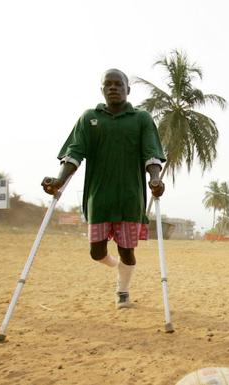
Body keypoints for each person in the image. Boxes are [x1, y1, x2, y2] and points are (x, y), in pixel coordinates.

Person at [42, 69, 166, 309]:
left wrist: (155, 180)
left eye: (118, 84)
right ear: (102, 90)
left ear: (127, 89)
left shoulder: (141, 119)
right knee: (96, 252)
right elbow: (74, 154)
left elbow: (152, 154)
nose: (113, 88)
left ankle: (122, 291)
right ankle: (117, 267)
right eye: (107, 84)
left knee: (127, 250)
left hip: (130, 199)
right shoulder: (89, 118)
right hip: (99, 197)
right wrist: (59, 181)